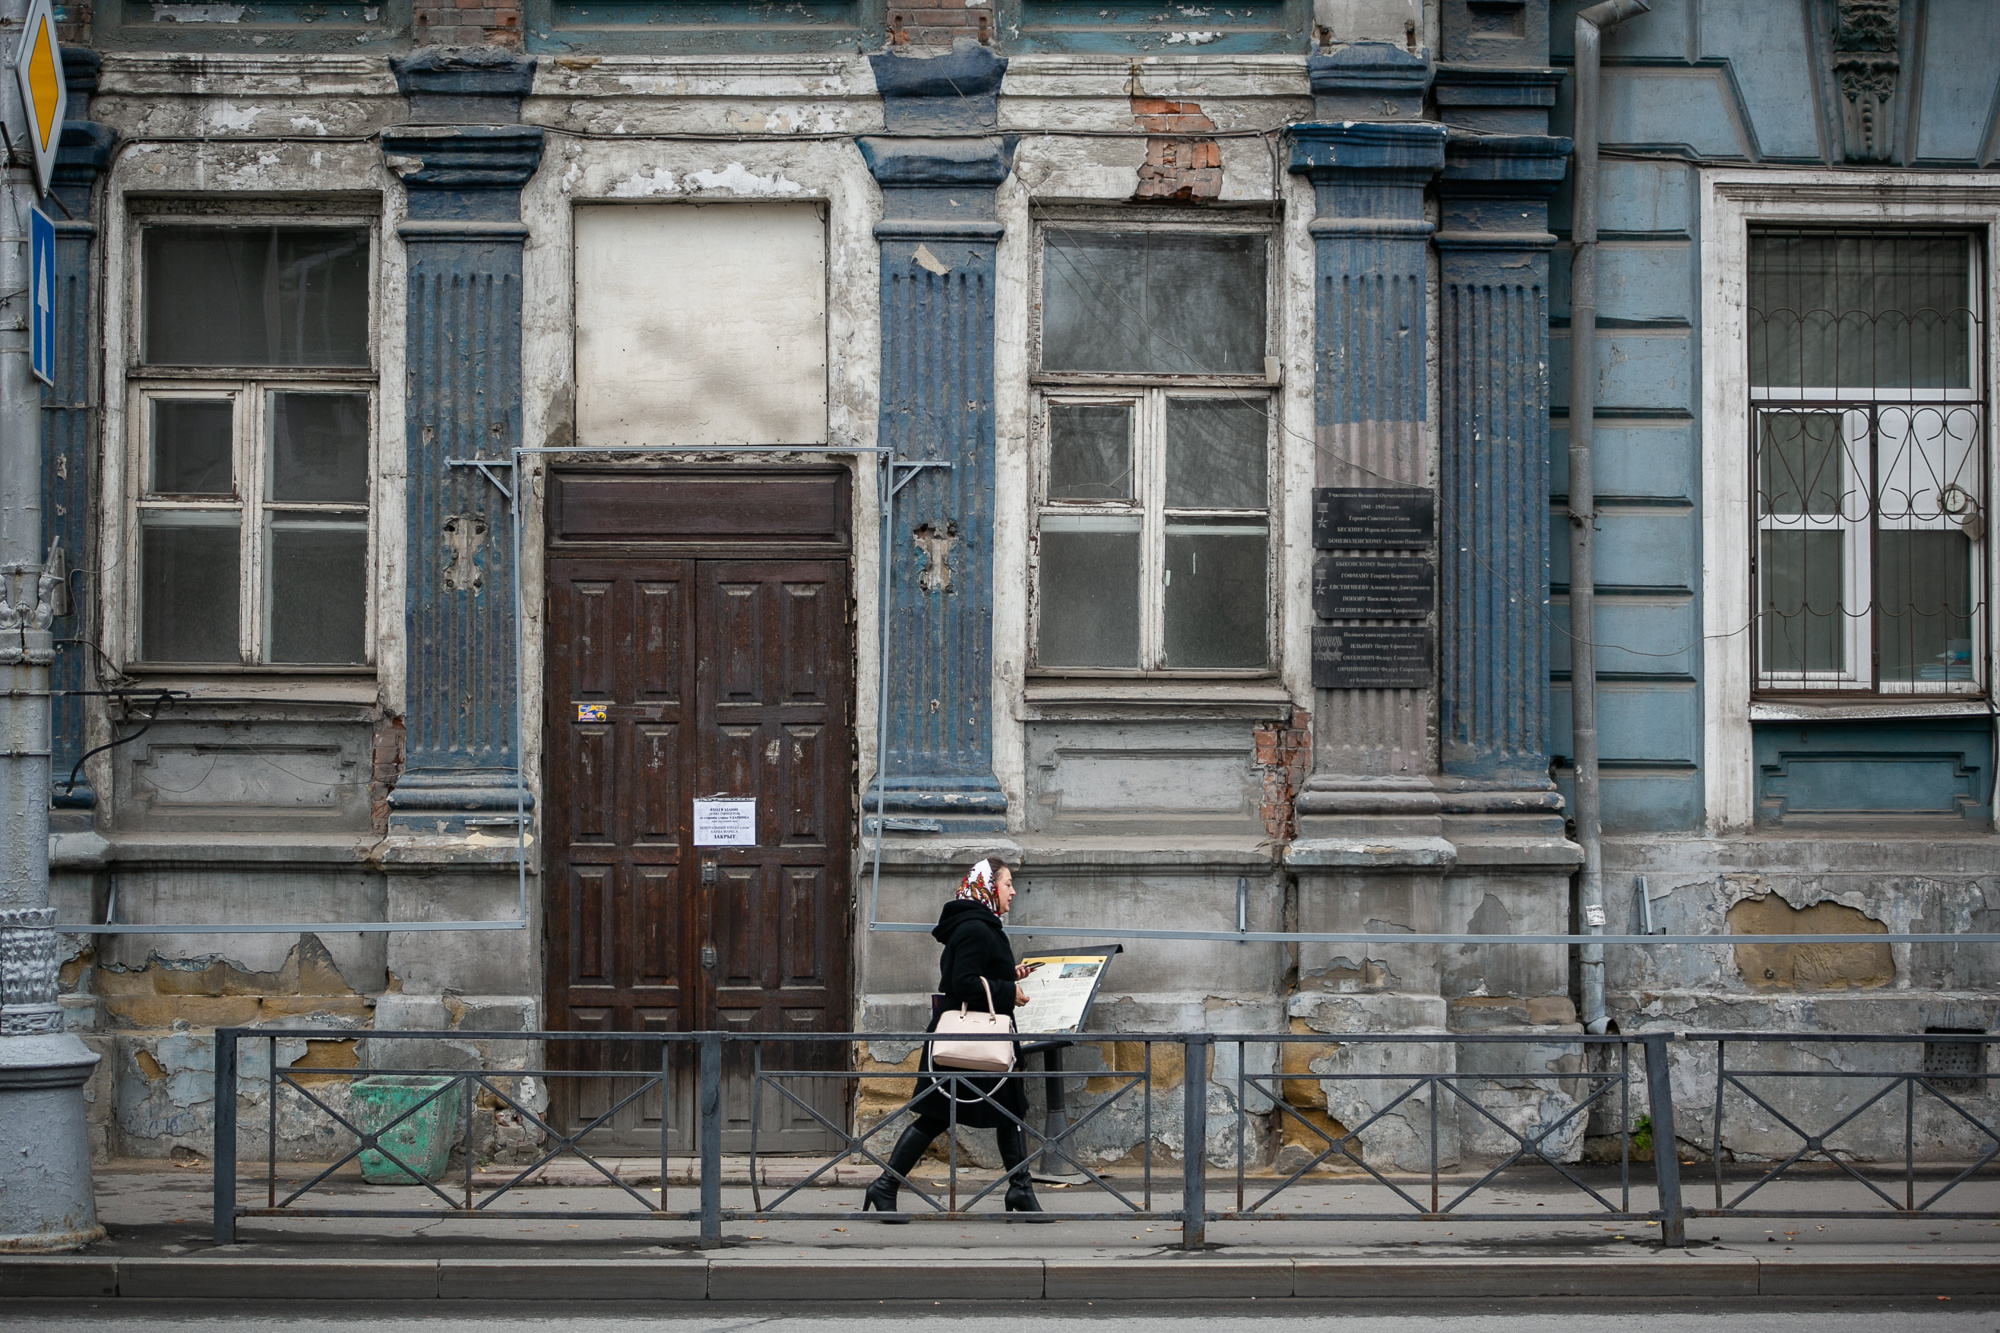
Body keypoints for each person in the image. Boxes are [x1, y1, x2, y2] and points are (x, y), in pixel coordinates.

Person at [862, 855, 1043, 1218]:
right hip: (971, 1040)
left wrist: (1010, 975)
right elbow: (961, 983)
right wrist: (1007, 993)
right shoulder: (976, 928)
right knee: (937, 1116)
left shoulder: (979, 924)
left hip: (976, 1040)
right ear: (989, 887)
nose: (1013, 893)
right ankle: (884, 1185)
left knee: (1007, 1114)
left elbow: (975, 973)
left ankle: (1020, 1190)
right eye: (1008, 885)